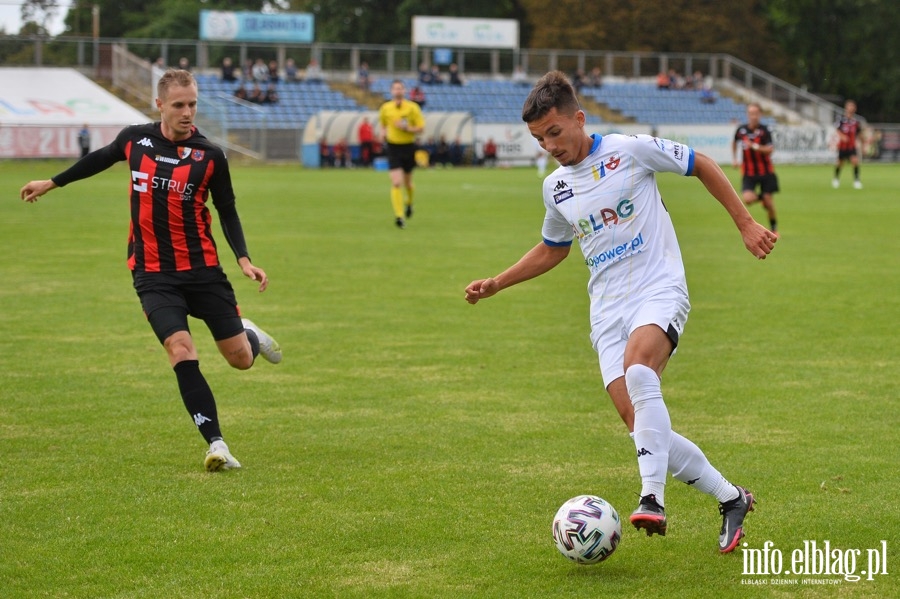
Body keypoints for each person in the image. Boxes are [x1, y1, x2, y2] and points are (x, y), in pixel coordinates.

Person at [464, 71, 776, 553]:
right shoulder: (556, 188)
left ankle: (652, 498)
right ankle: (732, 498)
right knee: (644, 427)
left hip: (659, 287)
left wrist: (746, 223)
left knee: (639, 370)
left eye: (554, 132)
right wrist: (497, 283)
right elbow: (554, 248)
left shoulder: (629, 150)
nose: (549, 144)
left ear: (579, 119)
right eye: (538, 138)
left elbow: (703, 164)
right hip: (607, 310)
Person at [19, 69, 282, 472]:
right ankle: (217, 443)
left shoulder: (210, 155)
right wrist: (52, 182)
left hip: (203, 271)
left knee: (240, 360)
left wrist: (244, 258)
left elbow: (226, 208)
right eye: (179, 105)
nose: (187, 112)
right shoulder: (134, 140)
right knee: (180, 349)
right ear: (159, 104)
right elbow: (97, 159)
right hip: (153, 274)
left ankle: (247, 332)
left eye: (192, 104)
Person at [378, 80, 425, 229]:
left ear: (404, 91)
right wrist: (383, 134)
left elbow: (421, 129)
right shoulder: (385, 108)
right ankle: (399, 216)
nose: (398, 91)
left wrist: (406, 128)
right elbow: (383, 125)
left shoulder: (412, 108)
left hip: (408, 146)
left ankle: (409, 203)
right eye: (395, 88)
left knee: (408, 183)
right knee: (396, 182)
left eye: (400, 88)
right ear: (391, 91)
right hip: (393, 147)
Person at [732, 103, 779, 236]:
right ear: (748, 115)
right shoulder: (741, 130)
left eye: (756, 113)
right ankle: (762, 198)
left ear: (760, 114)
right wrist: (734, 159)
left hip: (766, 172)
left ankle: (774, 229)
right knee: (747, 199)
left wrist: (755, 147)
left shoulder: (765, 130)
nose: (753, 116)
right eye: (751, 113)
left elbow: (770, 150)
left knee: (769, 204)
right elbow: (734, 142)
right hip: (748, 172)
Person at [833, 99, 863, 189]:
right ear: (846, 108)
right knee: (840, 163)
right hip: (842, 146)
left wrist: (863, 143)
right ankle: (836, 179)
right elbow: (837, 130)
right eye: (849, 106)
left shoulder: (856, 122)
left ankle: (856, 181)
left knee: (855, 161)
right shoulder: (841, 120)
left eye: (853, 106)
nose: (851, 108)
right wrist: (842, 136)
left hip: (851, 146)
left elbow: (859, 134)